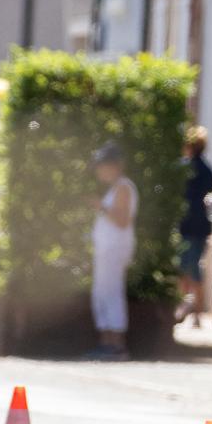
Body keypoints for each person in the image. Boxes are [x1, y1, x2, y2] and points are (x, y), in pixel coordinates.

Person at [88, 141, 138, 361]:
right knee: (102, 293)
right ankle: (106, 341)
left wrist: (101, 207)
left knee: (111, 292)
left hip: (114, 248)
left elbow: (123, 220)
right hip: (106, 249)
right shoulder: (116, 187)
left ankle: (116, 344)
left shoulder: (124, 187)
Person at [176, 125, 212, 327]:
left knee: (185, 267)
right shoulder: (207, 169)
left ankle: (185, 305)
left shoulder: (183, 168)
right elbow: (210, 192)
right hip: (201, 223)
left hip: (186, 223)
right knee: (196, 267)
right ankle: (196, 313)